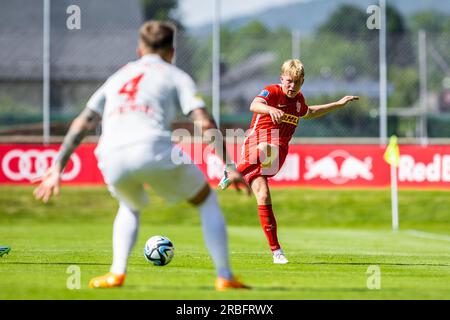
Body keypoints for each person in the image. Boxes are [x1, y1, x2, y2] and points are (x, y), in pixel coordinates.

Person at [33, 20, 251, 291]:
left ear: (139, 49)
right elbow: (204, 123)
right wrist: (228, 165)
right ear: (172, 50)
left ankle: (116, 274)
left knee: (129, 205)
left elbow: (83, 122)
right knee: (206, 201)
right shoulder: (176, 75)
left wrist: (57, 166)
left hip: (110, 154)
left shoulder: (119, 76)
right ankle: (225, 276)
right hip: (152, 148)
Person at [223, 59, 358, 264]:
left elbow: (310, 112)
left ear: (302, 82)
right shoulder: (272, 91)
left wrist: (338, 104)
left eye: (296, 82)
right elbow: (254, 104)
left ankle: (276, 251)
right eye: (288, 81)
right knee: (266, 154)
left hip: (279, 151)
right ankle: (234, 172)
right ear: (281, 79)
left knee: (265, 195)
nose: (292, 86)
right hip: (256, 144)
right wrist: (270, 110)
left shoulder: (298, 100)